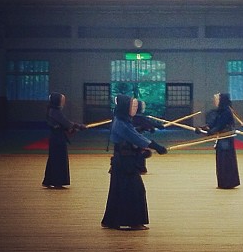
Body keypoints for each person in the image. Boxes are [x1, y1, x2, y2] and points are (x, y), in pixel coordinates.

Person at [101, 95, 168, 230]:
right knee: (135, 191)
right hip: (124, 163)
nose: (134, 109)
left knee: (119, 191)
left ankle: (111, 220)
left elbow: (133, 136)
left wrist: (144, 148)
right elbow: (135, 137)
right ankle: (133, 221)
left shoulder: (123, 121)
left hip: (123, 161)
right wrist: (155, 146)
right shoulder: (121, 123)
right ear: (125, 107)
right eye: (132, 106)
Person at [196, 93, 240, 189]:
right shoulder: (220, 112)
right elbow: (213, 124)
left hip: (226, 139)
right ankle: (223, 182)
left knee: (225, 161)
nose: (215, 102)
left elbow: (219, 125)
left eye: (216, 99)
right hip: (221, 138)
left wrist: (209, 132)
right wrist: (202, 129)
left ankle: (228, 183)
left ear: (222, 100)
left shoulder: (227, 112)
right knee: (221, 161)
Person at [42, 92, 86, 189]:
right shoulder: (54, 112)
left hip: (57, 137)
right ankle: (57, 181)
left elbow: (65, 125)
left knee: (54, 159)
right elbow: (66, 123)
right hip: (57, 139)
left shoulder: (54, 111)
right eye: (62, 100)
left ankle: (49, 180)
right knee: (58, 159)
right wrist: (78, 126)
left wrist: (74, 128)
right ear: (57, 101)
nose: (63, 103)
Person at [131, 100, 164, 174]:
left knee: (143, 150)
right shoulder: (137, 118)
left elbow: (147, 124)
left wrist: (148, 127)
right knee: (144, 151)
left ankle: (139, 168)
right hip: (131, 143)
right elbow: (148, 123)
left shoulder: (133, 117)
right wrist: (158, 126)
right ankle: (138, 168)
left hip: (133, 141)